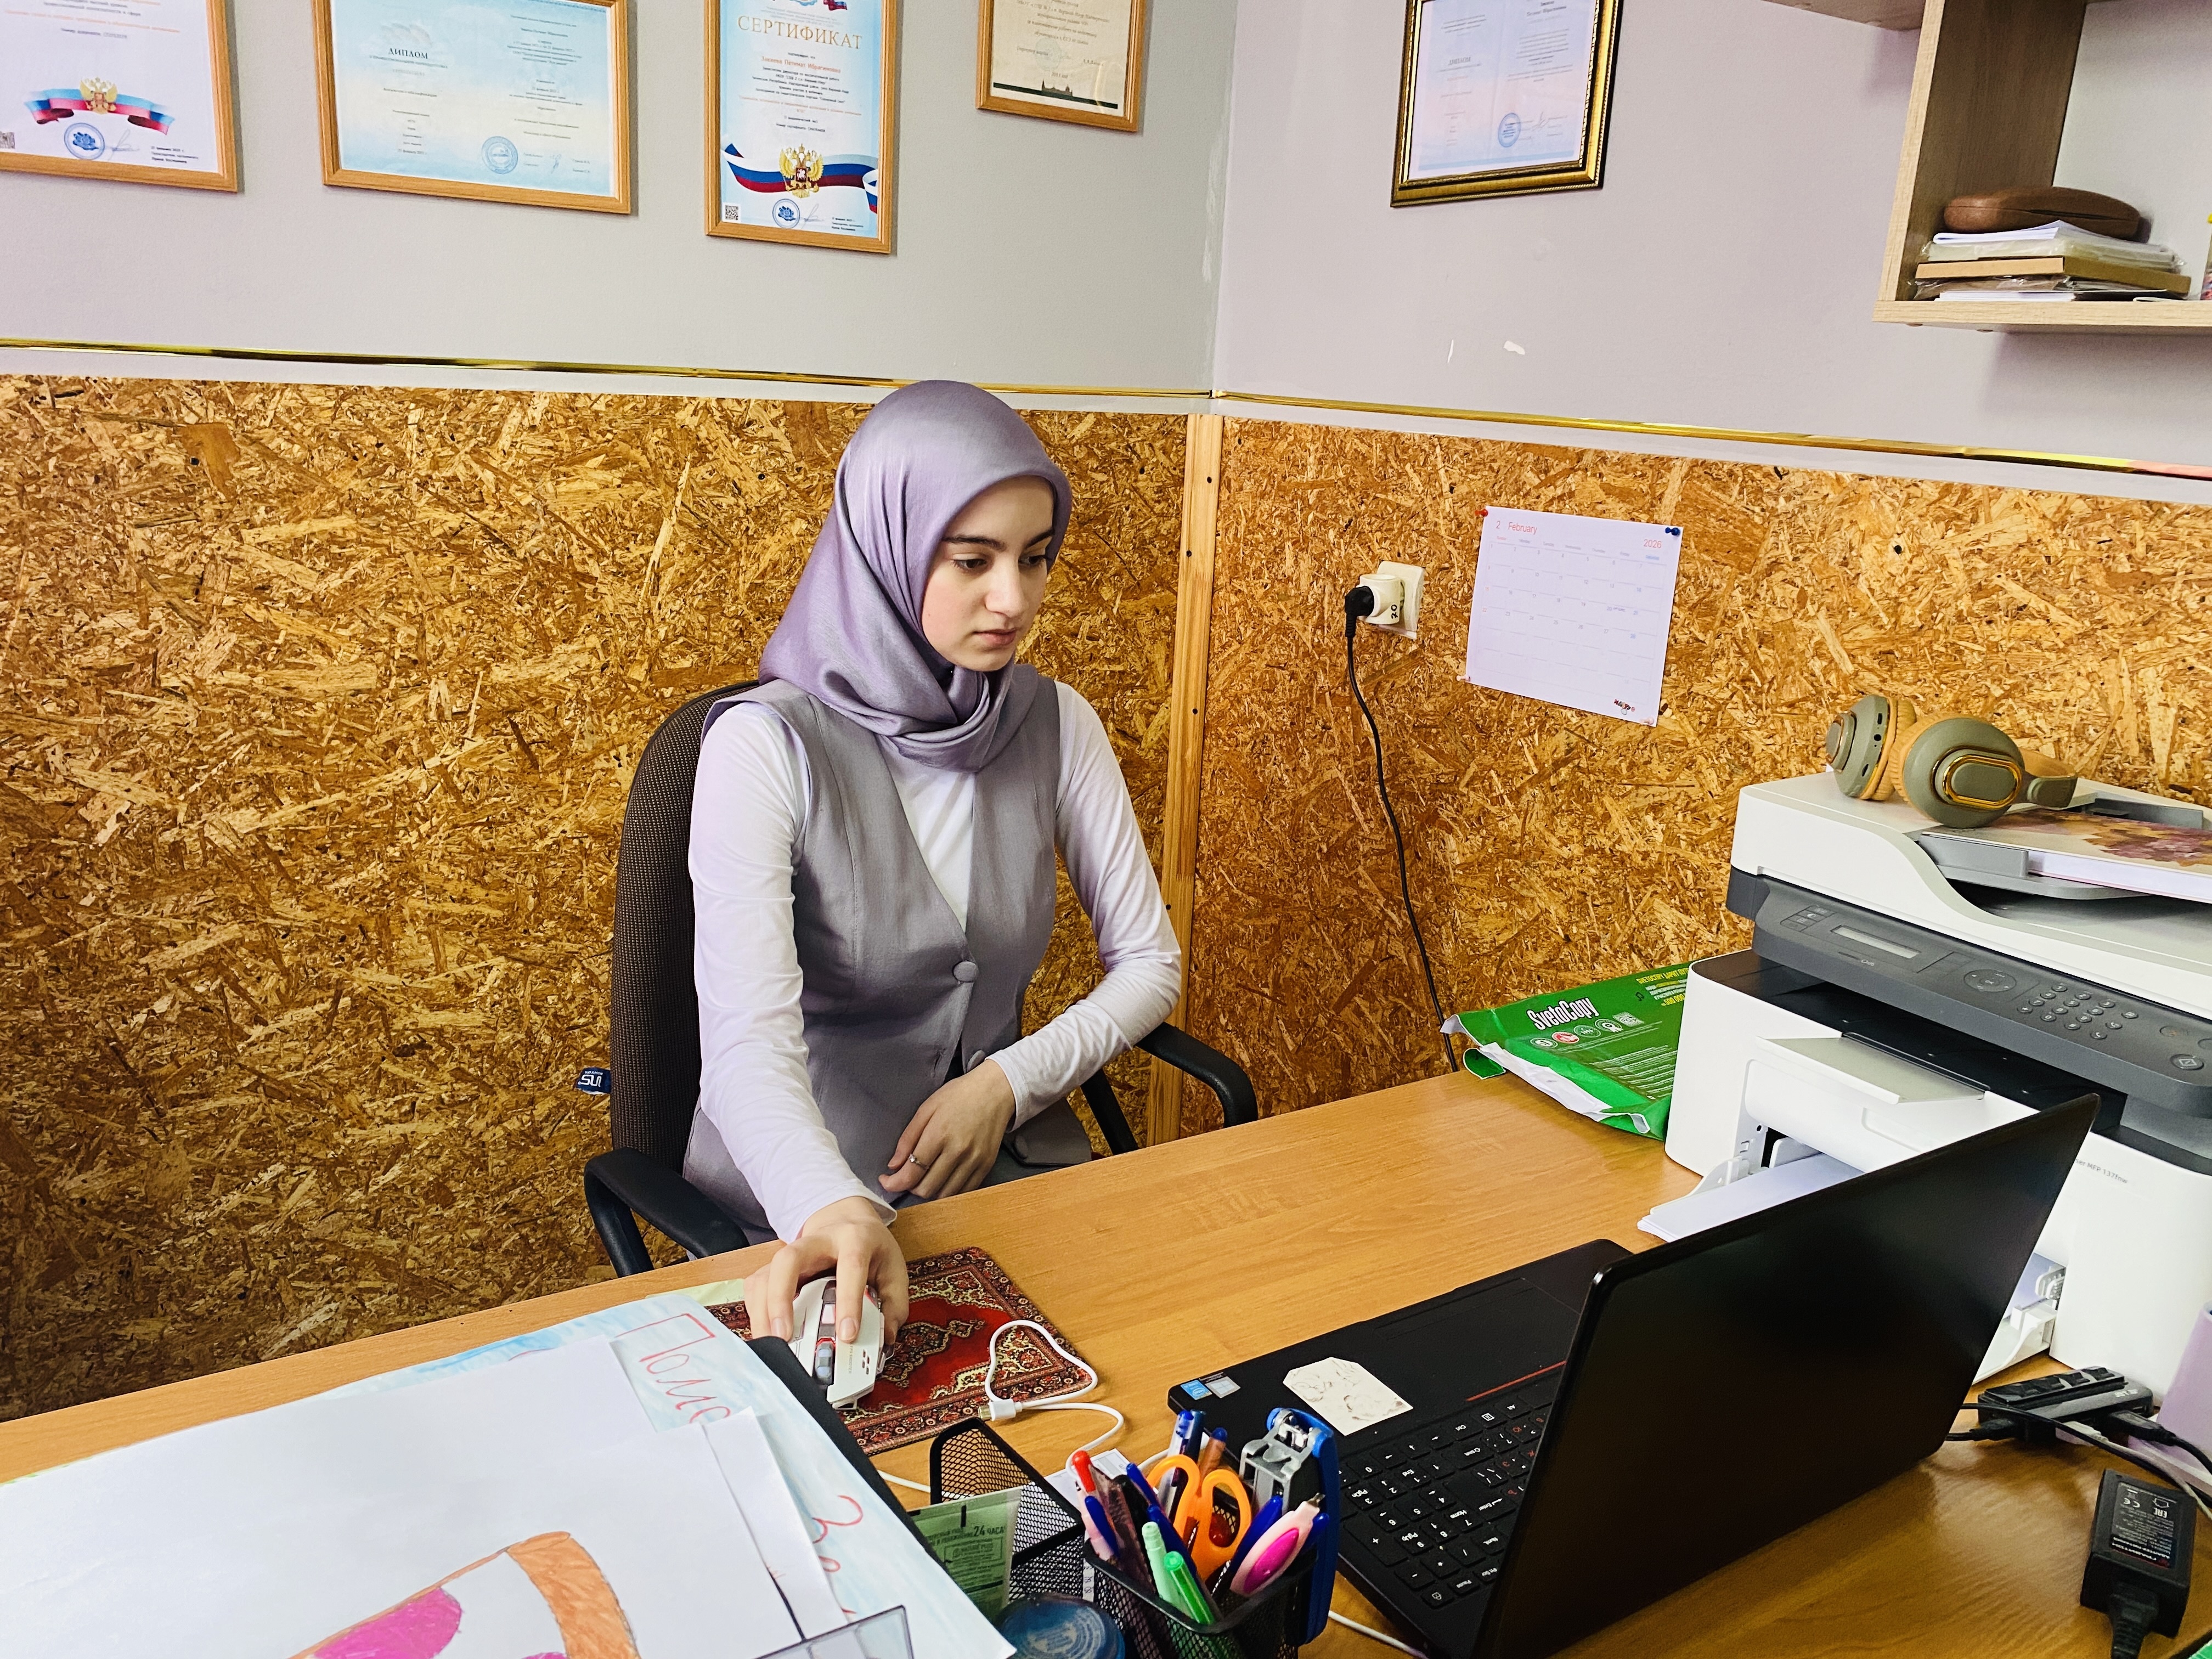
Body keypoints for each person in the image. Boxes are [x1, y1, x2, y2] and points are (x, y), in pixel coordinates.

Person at [682, 381, 1181, 1355]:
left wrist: (1007, 1084)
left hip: (1011, 1180)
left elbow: (1150, 964)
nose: (1015, 600)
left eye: (1036, 558)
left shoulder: (1056, 723)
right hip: (808, 1207)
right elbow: (746, 1046)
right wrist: (828, 1203)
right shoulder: (764, 747)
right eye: (972, 560)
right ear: (887, 546)